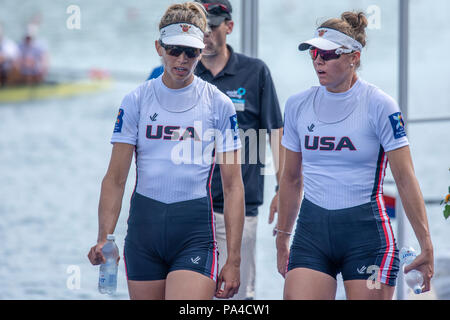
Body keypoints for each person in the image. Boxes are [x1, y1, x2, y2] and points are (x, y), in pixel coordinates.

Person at [87, 2, 245, 300]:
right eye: (174, 50)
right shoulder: (136, 100)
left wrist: (233, 260)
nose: (182, 59)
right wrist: (103, 237)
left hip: (194, 234)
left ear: (202, 50)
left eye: (191, 52)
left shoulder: (219, 104)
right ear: (158, 47)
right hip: (144, 234)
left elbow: (234, 186)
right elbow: (115, 178)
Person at [276, 11, 434, 300]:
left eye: (328, 54)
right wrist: (283, 237)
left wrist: (426, 245)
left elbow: (405, 179)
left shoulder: (380, 105)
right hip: (312, 234)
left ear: (354, 57)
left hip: (367, 237)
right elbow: (290, 178)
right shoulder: (297, 105)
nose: (318, 61)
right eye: (314, 53)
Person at [195, 0, 284, 300]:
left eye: (212, 27)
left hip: (239, 208)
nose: (205, 34)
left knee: (237, 297)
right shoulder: (183, 70)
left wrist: (282, 188)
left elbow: (277, 132)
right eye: (199, 27)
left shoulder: (255, 72)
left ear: (229, 27)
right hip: (191, 207)